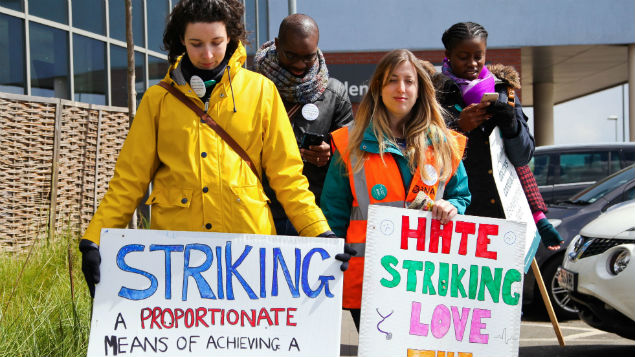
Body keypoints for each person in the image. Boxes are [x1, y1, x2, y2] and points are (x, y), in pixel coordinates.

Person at [78, 0, 349, 298]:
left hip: (247, 255)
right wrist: (94, 239)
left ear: (232, 37)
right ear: (181, 40)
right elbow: (129, 181)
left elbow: (288, 178)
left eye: (217, 42)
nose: (207, 54)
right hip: (176, 259)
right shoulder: (157, 101)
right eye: (196, 44)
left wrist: (320, 234)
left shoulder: (262, 92)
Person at [320, 49, 471, 330]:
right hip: (369, 279)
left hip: (426, 277)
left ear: (420, 89)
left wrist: (454, 207)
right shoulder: (349, 142)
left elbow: (461, 195)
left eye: (409, 81)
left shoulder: (444, 143)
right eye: (392, 80)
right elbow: (334, 212)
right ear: (378, 88)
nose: (401, 88)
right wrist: (330, 260)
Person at [434, 21, 563, 249]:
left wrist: (511, 125)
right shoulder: (434, 95)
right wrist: (457, 127)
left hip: (503, 216)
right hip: (456, 214)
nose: (472, 63)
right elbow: (422, 152)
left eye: (478, 56)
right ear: (448, 55)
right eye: (463, 56)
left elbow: (523, 157)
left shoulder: (504, 91)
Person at [253, 14, 353, 236]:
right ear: (277, 44)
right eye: (291, 55)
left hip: (313, 210)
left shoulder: (334, 93)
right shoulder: (251, 87)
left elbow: (351, 156)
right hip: (260, 210)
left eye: (308, 57)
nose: (299, 65)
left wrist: (330, 152)